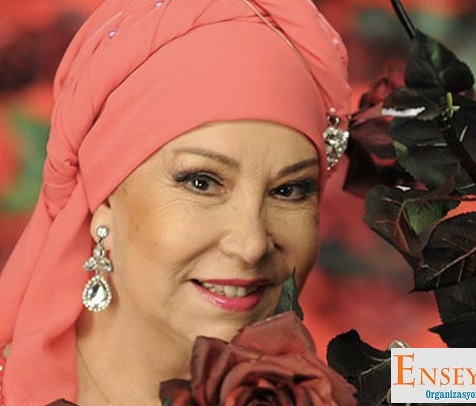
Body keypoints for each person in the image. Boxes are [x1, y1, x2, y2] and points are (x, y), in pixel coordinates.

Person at [0, 0, 351, 404]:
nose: (251, 244)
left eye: (288, 190)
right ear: (103, 203)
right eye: (202, 183)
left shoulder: (387, 385)